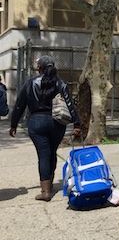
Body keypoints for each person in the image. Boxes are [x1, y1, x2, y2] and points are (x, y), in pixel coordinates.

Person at [9, 55, 81, 201]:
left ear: (39, 68)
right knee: (52, 152)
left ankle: (45, 191)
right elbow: (69, 104)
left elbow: (19, 105)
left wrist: (14, 124)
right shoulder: (61, 83)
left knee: (43, 155)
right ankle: (51, 181)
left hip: (36, 122)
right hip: (57, 123)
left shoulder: (30, 83)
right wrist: (77, 124)